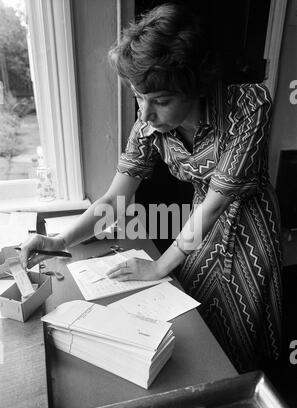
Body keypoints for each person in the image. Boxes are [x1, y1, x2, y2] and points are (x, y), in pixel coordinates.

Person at [20, 3, 282, 374]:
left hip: (248, 230)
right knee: (197, 324)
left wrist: (159, 265)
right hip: (198, 229)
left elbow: (216, 204)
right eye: (138, 98)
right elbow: (114, 199)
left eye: (160, 101)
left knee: (239, 338)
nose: (145, 114)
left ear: (196, 86)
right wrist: (60, 242)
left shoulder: (249, 106)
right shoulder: (149, 127)